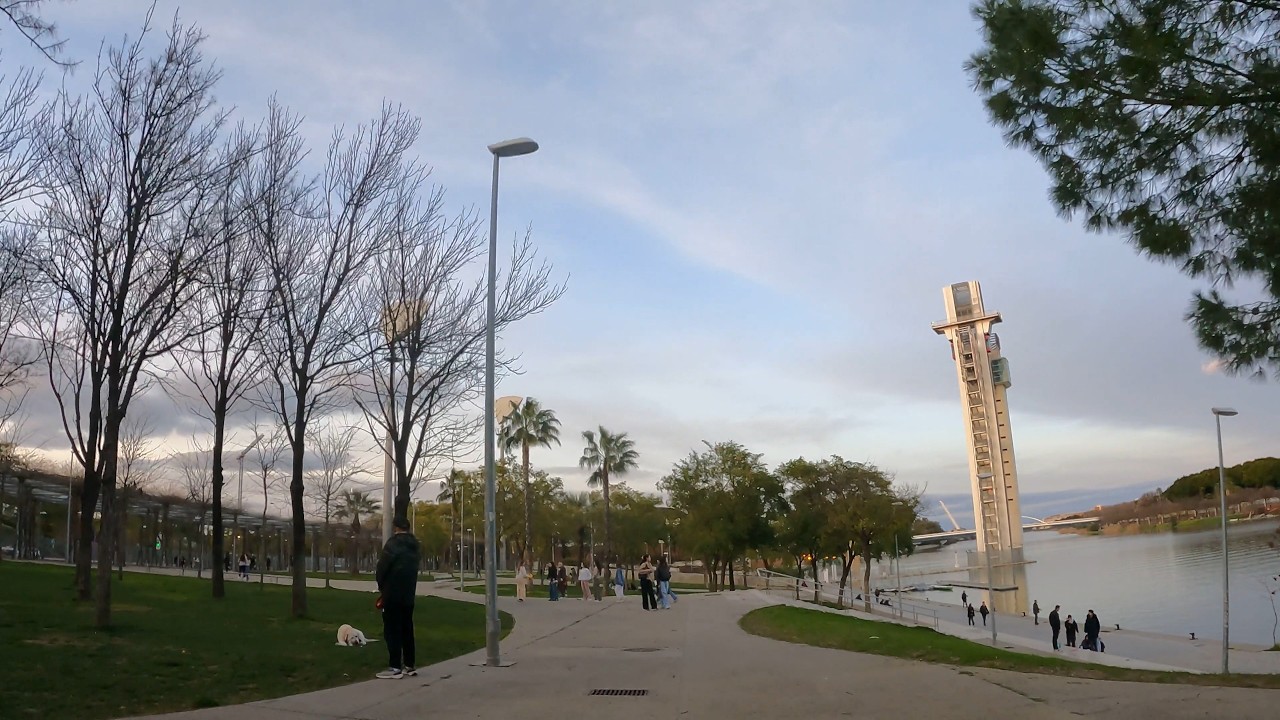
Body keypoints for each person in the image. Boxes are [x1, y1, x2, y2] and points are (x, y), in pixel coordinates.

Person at [375, 516, 421, 679]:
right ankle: (410, 664)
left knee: (392, 629)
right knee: (407, 628)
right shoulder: (415, 545)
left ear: (395, 528)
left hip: (392, 592)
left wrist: (381, 585)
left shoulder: (393, 544)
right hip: (408, 593)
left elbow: (382, 567)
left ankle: (395, 666)